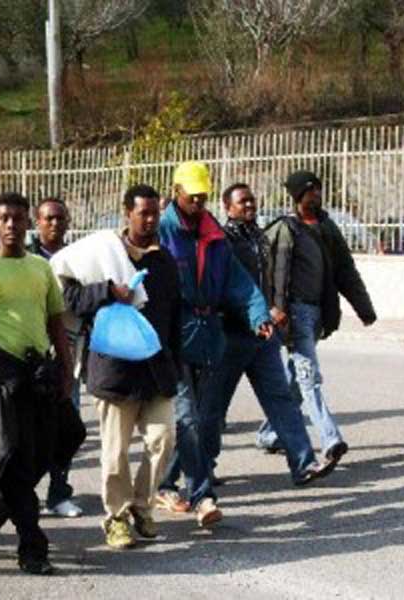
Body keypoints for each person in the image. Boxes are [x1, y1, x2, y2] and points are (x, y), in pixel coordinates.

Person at [55, 184, 181, 549]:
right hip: (113, 370)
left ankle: (142, 505)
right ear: (127, 212)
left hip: (157, 370)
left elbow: (174, 314)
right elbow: (67, 297)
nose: (151, 219)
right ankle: (116, 517)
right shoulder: (99, 255)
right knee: (115, 453)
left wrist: (178, 364)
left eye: (155, 212)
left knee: (163, 440)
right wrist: (109, 291)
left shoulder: (163, 261)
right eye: (143, 212)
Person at [0, 192, 74, 575]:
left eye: (18, 218)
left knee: (54, 444)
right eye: (4, 218)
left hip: (38, 372)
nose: (11, 225)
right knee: (9, 454)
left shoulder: (42, 268)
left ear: (28, 223)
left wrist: (67, 370)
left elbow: (57, 322)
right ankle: (32, 546)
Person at [155, 161, 273, 527]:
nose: (198, 201)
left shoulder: (215, 235)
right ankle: (203, 495)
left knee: (205, 422)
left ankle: (163, 483)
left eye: (203, 196)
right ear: (176, 193)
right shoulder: (162, 232)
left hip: (208, 336)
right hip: (172, 336)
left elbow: (238, 282)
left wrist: (258, 315)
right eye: (192, 196)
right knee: (187, 418)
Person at [203, 183, 335, 486]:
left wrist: (274, 310)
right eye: (241, 202)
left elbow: (272, 280)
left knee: (281, 400)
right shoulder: (223, 241)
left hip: (263, 337)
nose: (249, 206)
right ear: (227, 207)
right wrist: (252, 314)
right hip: (232, 336)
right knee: (213, 408)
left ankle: (303, 464)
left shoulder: (260, 237)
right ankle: (203, 469)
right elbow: (223, 290)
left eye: (251, 200)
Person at [256, 171, 377, 466]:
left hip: (316, 313)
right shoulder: (286, 229)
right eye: (311, 191)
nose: (317, 195)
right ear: (298, 195)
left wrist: (364, 308)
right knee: (309, 375)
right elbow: (276, 272)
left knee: (297, 376)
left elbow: (345, 270)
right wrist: (277, 309)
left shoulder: (327, 228)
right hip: (292, 313)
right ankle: (330, 438)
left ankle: (270, 433)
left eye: (319, 190)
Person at [27, 197, 85, 519]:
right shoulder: (24, 258)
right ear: (37, 222)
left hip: (67, 353)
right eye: (48, 218)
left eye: (60, 218)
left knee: (68, 425)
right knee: (31, 427)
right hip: (31, 354)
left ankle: (59, 492)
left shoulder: (78, 258)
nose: (55, 224)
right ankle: (26, 491)